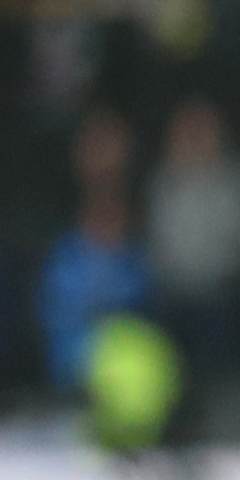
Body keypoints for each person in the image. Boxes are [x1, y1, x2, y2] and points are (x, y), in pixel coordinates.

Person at [145, 96, 240, 380]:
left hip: (220, 294)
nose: (195, 138)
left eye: (202, 130)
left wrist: (227, 269)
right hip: (171, 294)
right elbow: (156, 239)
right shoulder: (164, 181)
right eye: (187, 130)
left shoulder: (235, 182)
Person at [40, 113, 152, 394]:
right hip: (71, 377)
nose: (104, 158)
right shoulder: (50, 226)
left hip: (141, 370)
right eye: (94, 145)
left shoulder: (150, 220)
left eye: (110, 143)